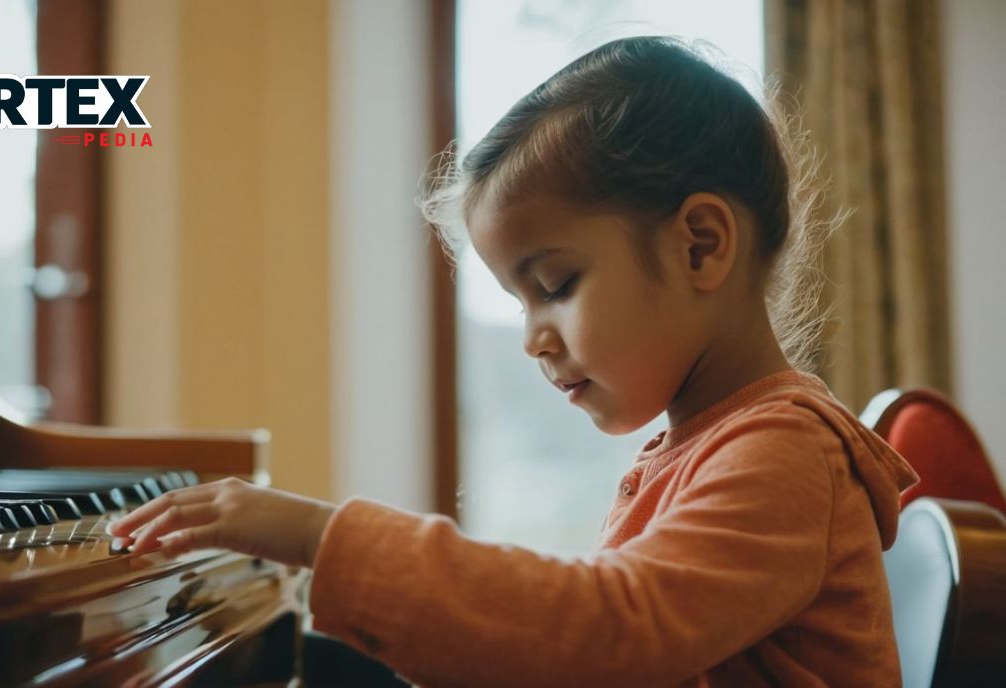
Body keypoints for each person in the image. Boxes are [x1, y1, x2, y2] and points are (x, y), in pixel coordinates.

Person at [107, 36, 920, 687]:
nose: (534, 336)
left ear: (700, 245)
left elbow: (616, 629)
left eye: (556, 285)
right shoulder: (710, 445)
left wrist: (323, 534)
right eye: (520, 302)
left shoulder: (786, 452)